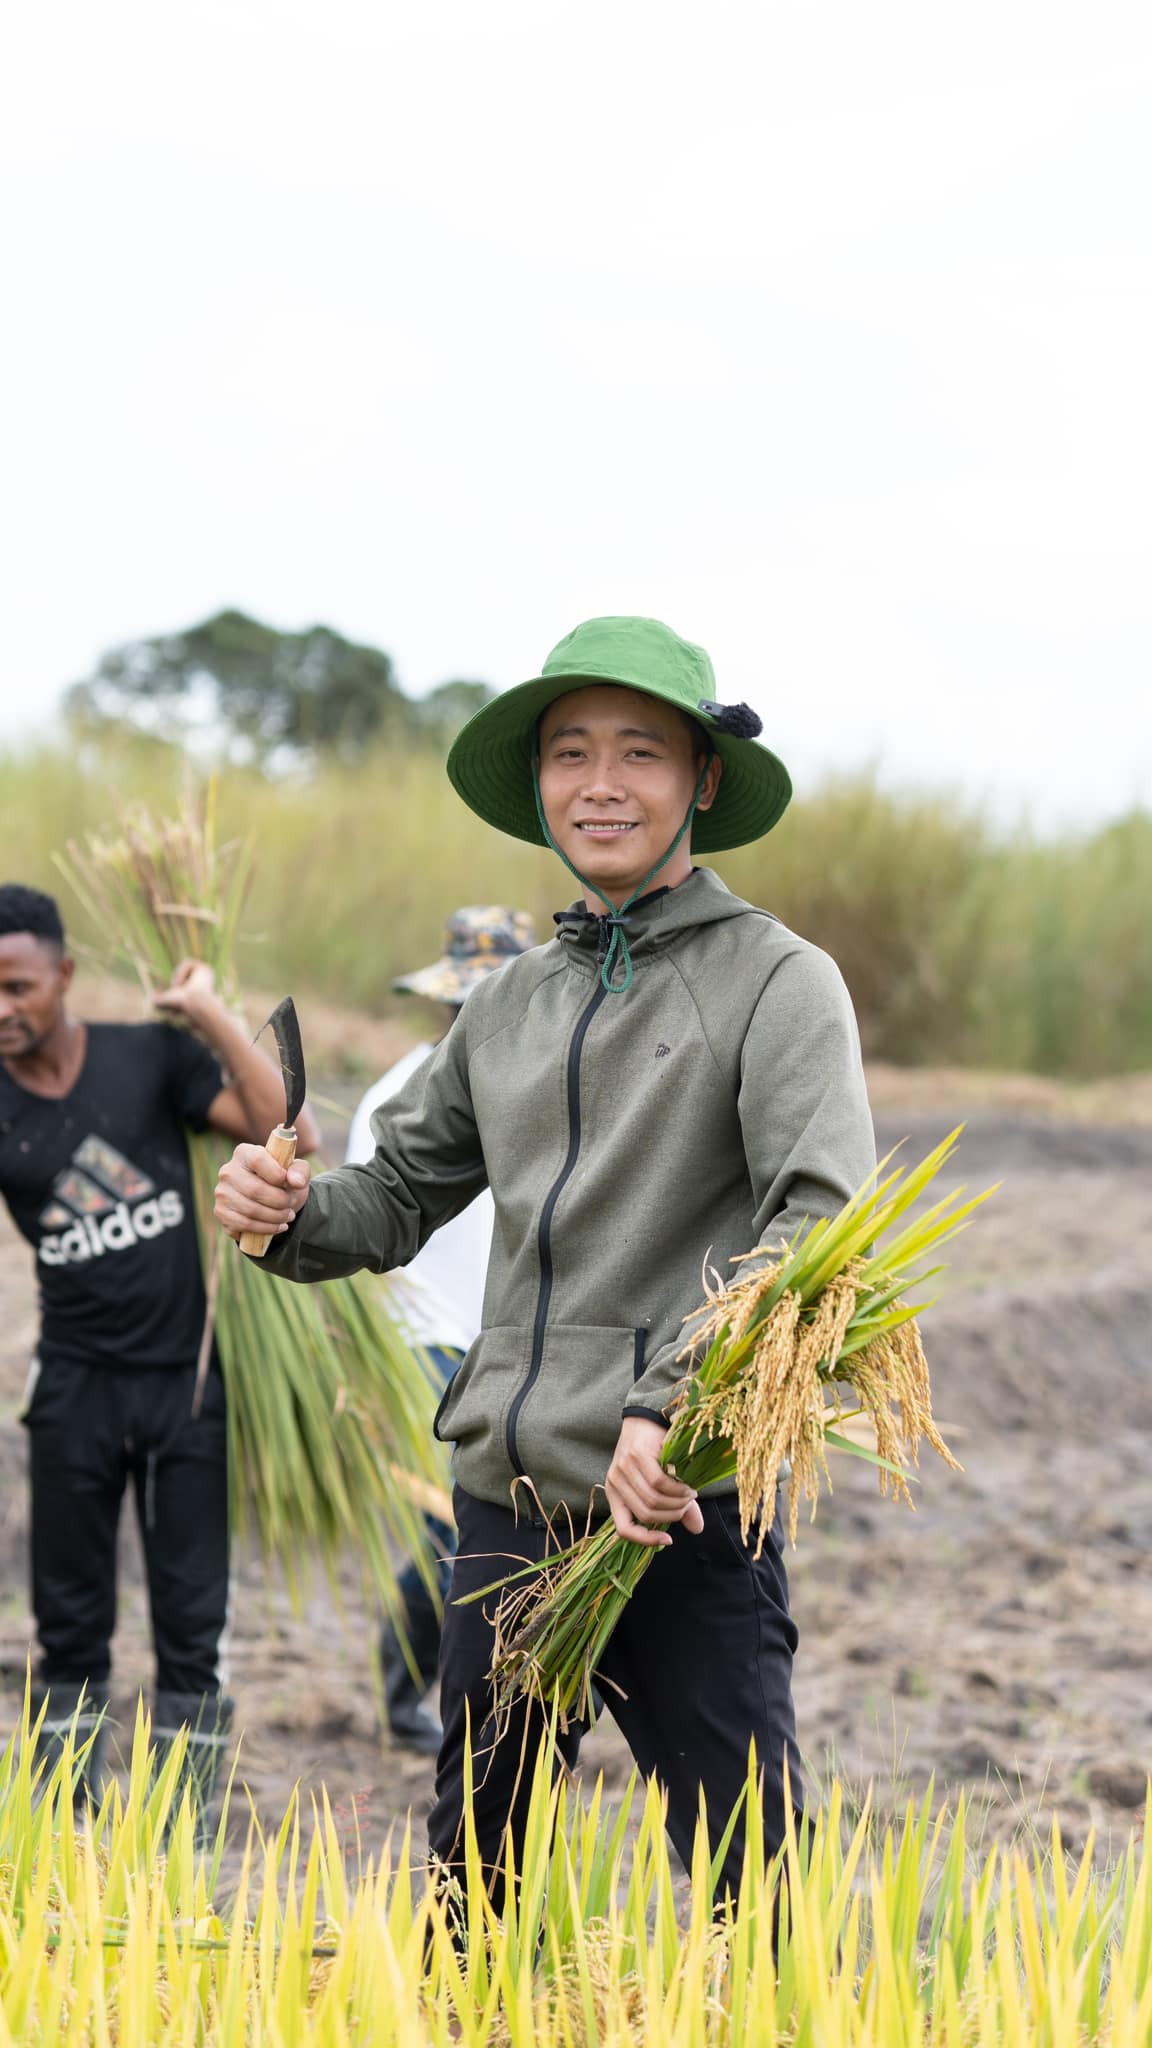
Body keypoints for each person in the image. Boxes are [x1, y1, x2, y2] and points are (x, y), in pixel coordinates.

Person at [214, 615, 875, 1911]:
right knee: (478, 1877)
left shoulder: (776, 985)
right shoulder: (510, 1005)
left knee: (751, 1872)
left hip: (681, 1506)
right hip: (508, 1506)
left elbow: (814, 1234)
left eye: (640, 752)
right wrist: (284, 1212)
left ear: (706, 780)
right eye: (571, 754)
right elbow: (394, 1194)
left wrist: (669, 1409)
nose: (601, 784)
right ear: (540, 789)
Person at [0, 883, 319, 1815]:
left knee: (191, 1623)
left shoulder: (148, 1059)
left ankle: (181, 1842)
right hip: (72, 1392)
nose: (3, 1009)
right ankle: (63, 1831)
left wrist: (213, 1016)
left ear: (63, 975)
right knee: (68, 1626)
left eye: (18, 986)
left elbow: (291, 1139)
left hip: (186, 1391)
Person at [344, 906, 536, 1755]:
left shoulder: (549, 1086)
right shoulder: (399, 1095)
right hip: (420, 1338)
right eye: (462, 1004)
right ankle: (405, 1685)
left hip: (516, 1342)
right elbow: (360, 1221)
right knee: (453, 1521)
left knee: (521, 1525)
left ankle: (508, 1696)